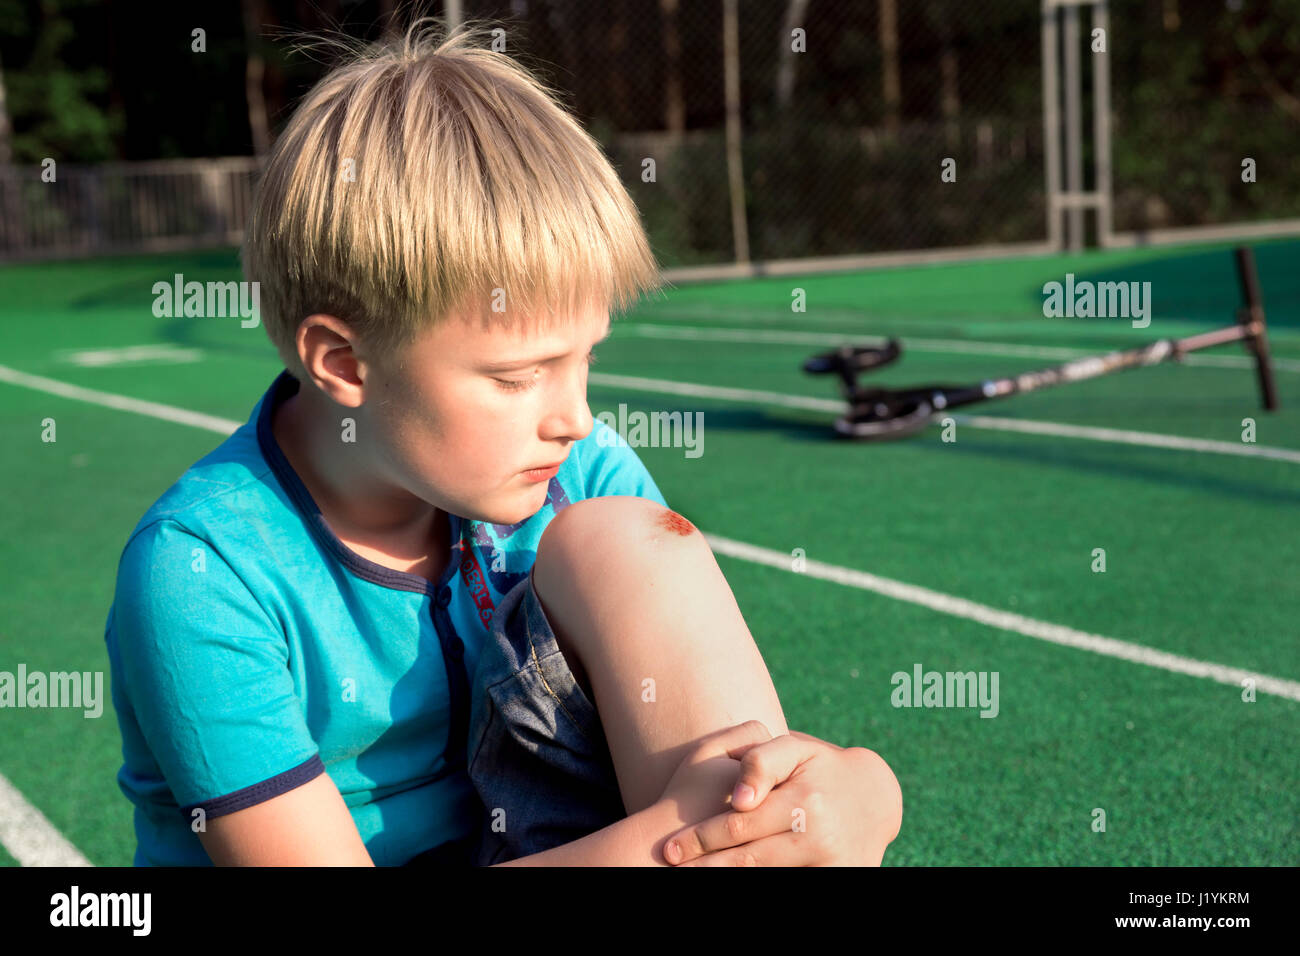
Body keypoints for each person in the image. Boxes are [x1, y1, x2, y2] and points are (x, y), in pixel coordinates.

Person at [104, 19, 902, 867]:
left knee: (626, 538)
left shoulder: (581, 472)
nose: (575, 419)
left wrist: (862, 792)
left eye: (586, 358)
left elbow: (758, 780)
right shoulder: (203, 569)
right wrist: (685, 854)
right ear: (343, 363)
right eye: (519, 376)